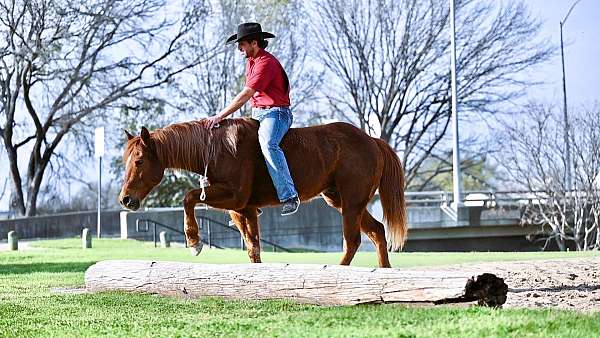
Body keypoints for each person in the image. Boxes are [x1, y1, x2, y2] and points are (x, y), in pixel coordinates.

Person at [203, 22, 300, 216]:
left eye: (242, 44)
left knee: (268, 143)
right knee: (241, 147)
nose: (239, 48)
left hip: (276, 113)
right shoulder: (251, 62)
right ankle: (250, 198)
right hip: (258, 113)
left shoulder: (266, 63)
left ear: (254, 43)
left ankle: (290, 195)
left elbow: (247, 93)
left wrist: (221, 115)